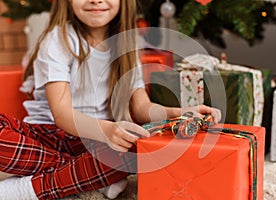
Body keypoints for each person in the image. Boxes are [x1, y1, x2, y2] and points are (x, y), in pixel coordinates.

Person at [0, 0, 221, 199]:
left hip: (96, 141)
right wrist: (107, 131)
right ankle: (83, 174)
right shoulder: (58, 40)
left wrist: (178, 113)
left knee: (140, 149)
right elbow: (62, 114)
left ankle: (30, 188)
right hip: (47, 133)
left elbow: (142, 106)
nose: (96, 0)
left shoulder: (127, 45)